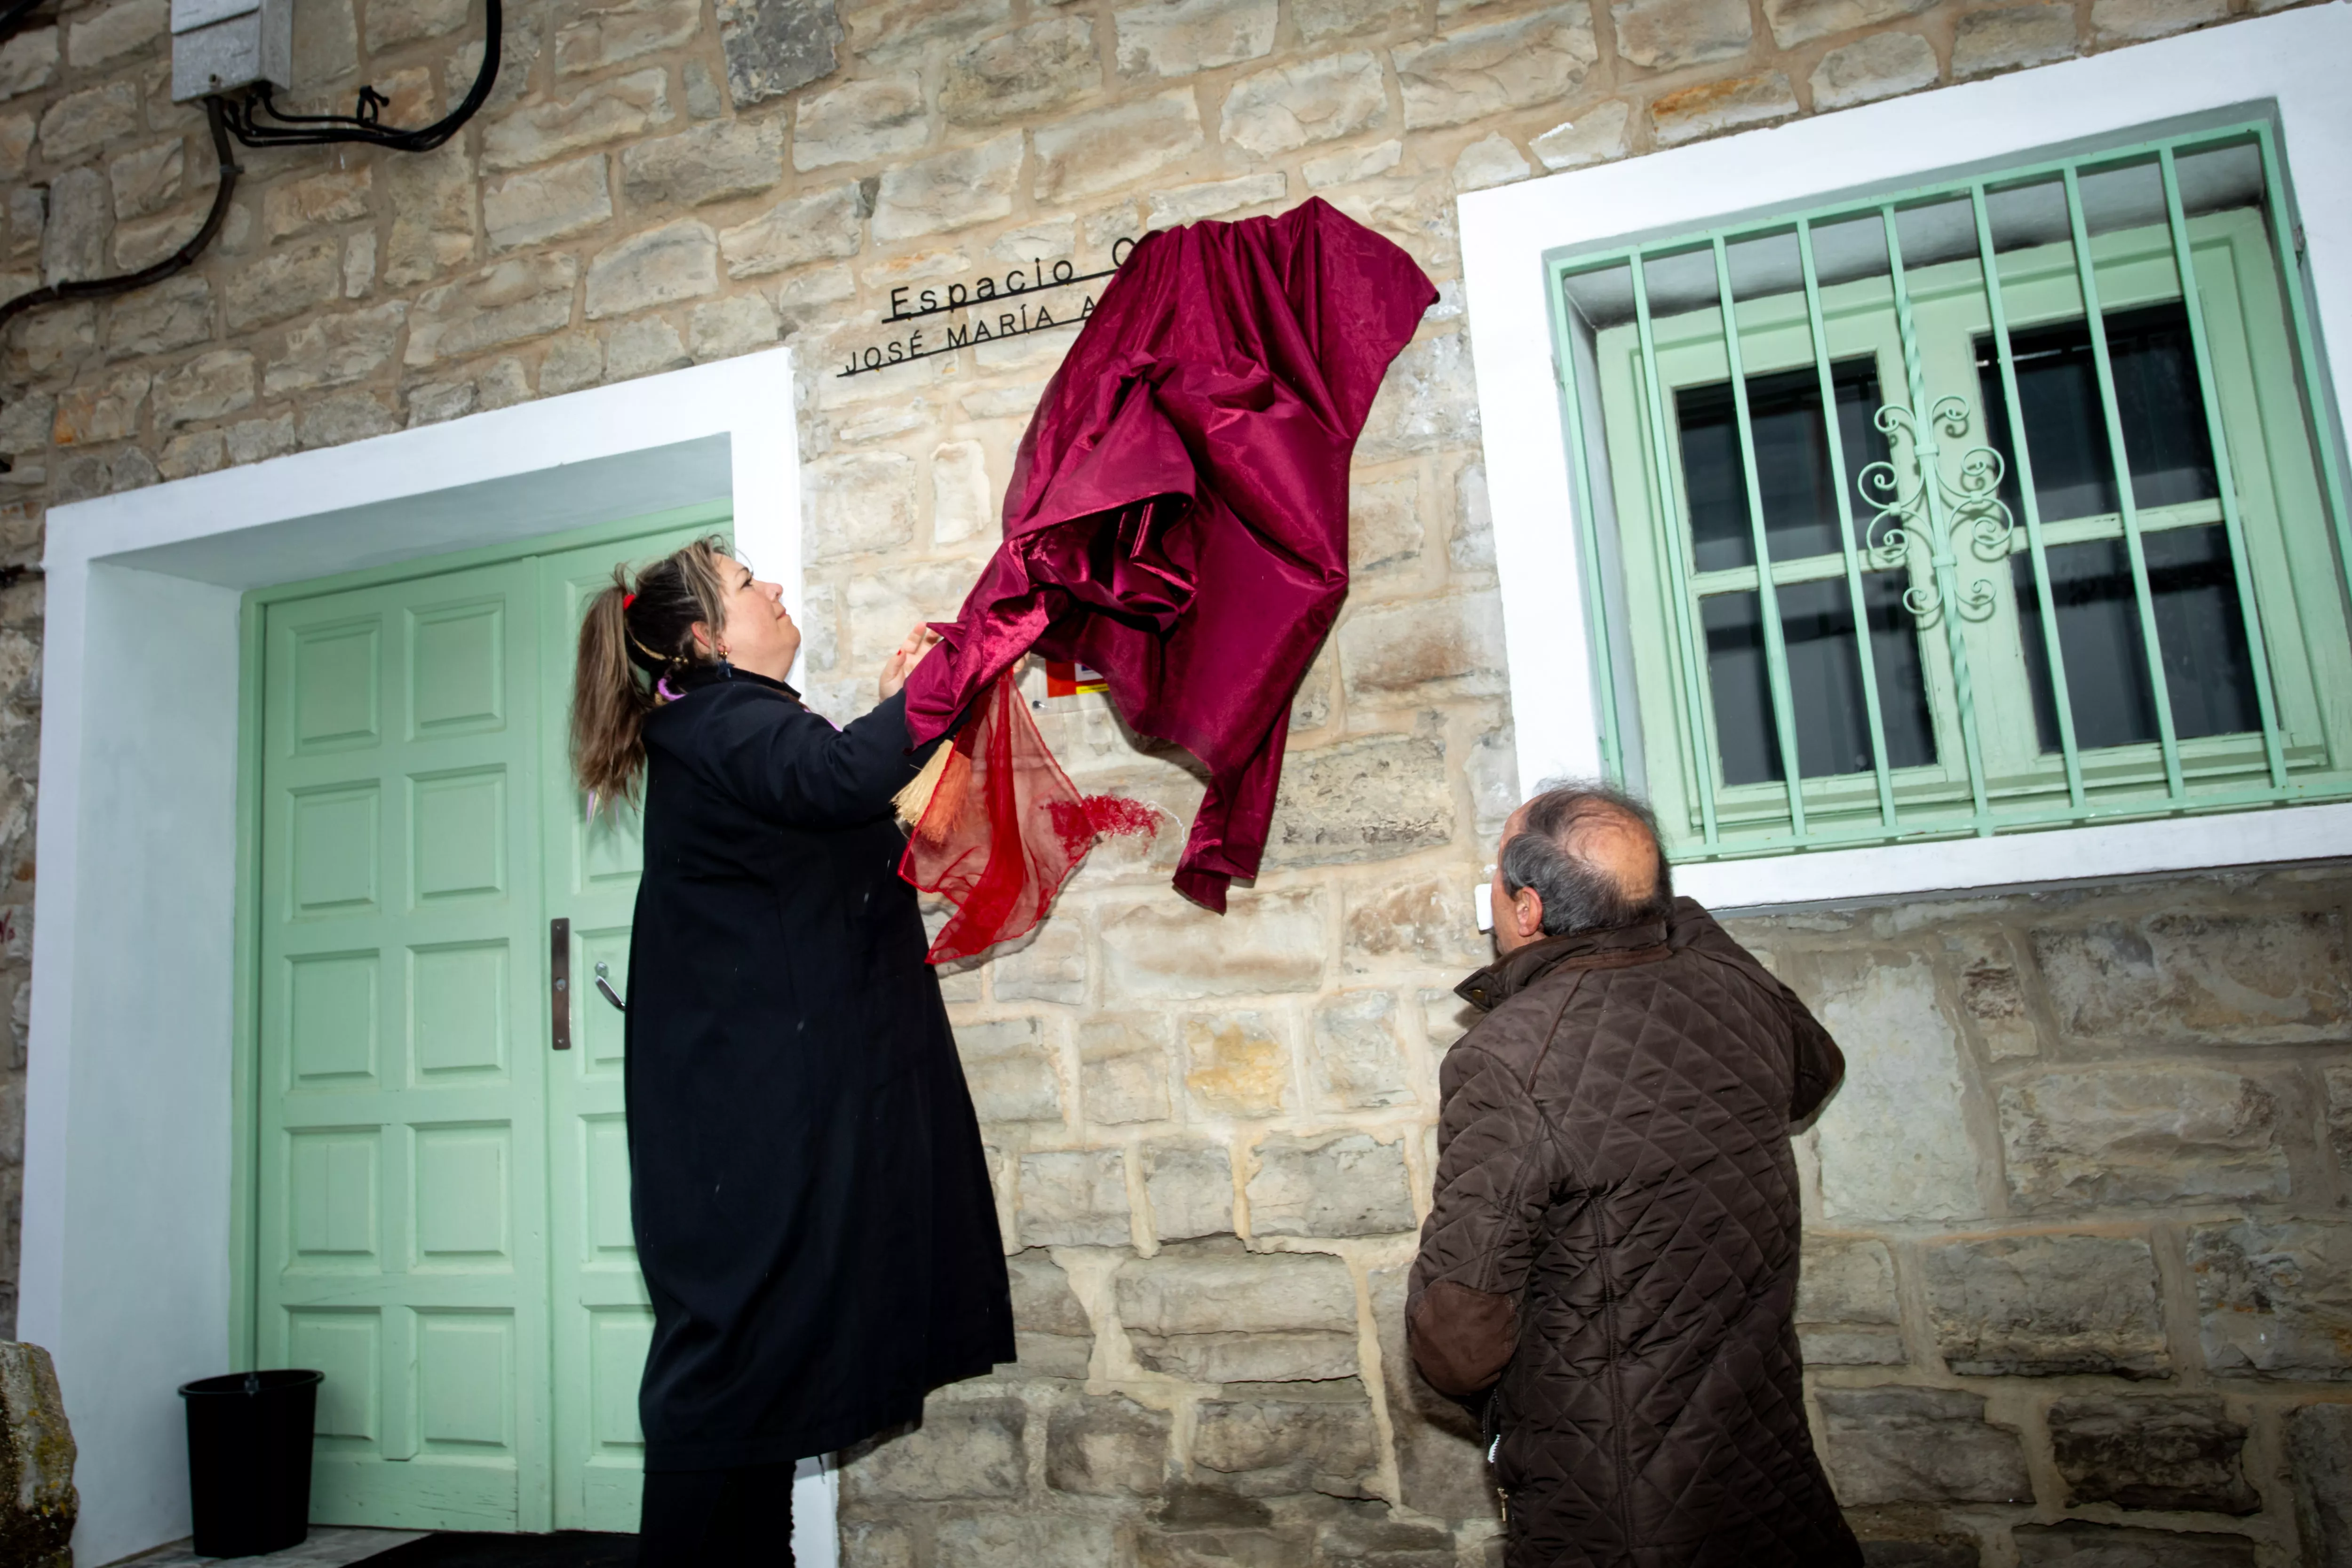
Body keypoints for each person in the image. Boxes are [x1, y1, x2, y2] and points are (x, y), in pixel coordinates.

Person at [570, 537, 1014, 1564]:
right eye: (744, 585)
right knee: (729, 1365)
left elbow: (837, 793)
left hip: (768, 1113)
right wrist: (963, 658)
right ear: (703, 636)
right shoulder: (717, 723)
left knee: (768, 1364)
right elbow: (839, 774)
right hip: (746, 1126)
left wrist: (901, 706)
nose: (772, 588)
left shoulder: (739, 725)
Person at [1406, 784, 1859, 1568]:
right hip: (1758, 1452)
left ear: (1528, 911)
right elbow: (1815, 1071)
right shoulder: (1734, 992)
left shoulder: (1506, 1058)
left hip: (1610, 1492)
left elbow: (1458, 1343)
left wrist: (1513, 1410)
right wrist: (1661, 910)